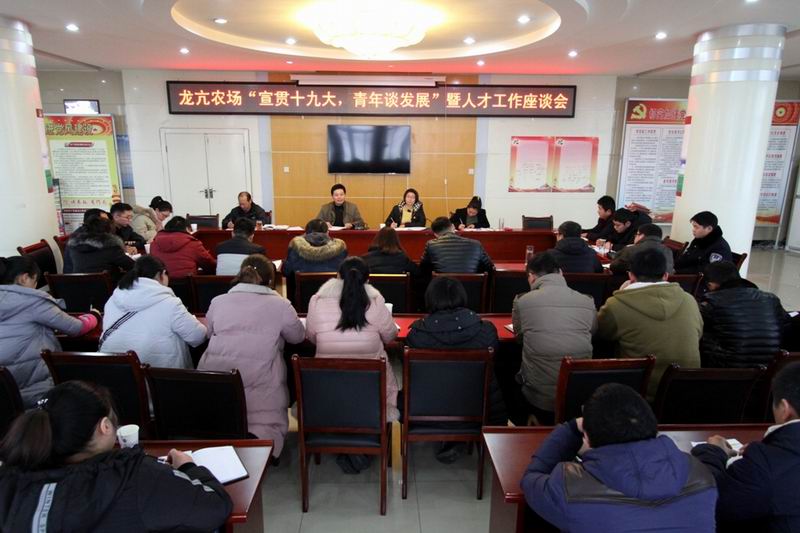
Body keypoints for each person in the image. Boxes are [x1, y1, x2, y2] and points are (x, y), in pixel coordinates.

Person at [0, 381, 232, 531]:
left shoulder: (10, 482)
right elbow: (216, 506)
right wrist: (188, 467)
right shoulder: (134, 477)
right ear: (105, 426)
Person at [521, 383, 717, 533]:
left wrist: (571, 429)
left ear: (586, 437)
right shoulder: (701, 475)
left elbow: (531, 478)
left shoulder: (568, 488)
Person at [198, 255, 304, 459]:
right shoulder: (280, 305)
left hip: (219, 377)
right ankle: (259, 437)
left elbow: (208, 332)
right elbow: (297, 337)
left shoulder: (218, 301)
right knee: (272, 369)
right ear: (270, 280)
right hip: (260, 376)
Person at [305, 257, 398, 472]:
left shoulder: (317, 301)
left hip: (327, 389)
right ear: (368, 279)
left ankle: (341, 439)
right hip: (370, 391)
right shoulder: (375, 301)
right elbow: (390, 335)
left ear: (337, 276)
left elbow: (311, 337)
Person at [692, 362, 800, 532]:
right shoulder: (768, 458)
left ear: (785, 410)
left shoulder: (764, 465)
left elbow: (707, 502)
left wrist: (713, 452)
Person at [406, 276, 507, 433]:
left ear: (430, 298)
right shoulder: (486, 331)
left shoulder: (417, 336)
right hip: (478, 410)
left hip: (426, 411)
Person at [597, 248, 703, 399]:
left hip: (638, 392)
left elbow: (601, 333)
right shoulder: (689, 300)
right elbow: (698, 334)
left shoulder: (617, 304)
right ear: (666, 275)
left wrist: (621, 293)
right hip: (686, 390)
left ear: (630, 275)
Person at [0, 257, 97, 408]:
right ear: (24, 278)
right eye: (35, 281)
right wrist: (94, 316)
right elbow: (76, 328)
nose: (35, 287)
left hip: (5, 393)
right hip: (35, 387)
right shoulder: (31, 301)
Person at [512, 252, 597, 424]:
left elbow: (520, 337)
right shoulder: (587, 301)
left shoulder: (522, 301)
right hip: (579, 394)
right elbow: (593, 332)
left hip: (539, 397)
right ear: (561, 273)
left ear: (531, 276)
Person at [100, 256, 207, 369]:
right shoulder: (170, 304)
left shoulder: (113, 299)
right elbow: (198, 337)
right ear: (162, 274)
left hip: (114, 370)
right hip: (160, 373)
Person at [699, 261, 788, 368]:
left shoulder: (712, 301)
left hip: (726, 369)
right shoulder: (771, 299)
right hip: (770, 367)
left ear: (711, 285)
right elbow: (785, 326)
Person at [65, 216, 135, 282]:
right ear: (109, 232)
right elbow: (132, 266)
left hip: (77, 285)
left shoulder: (74, 247)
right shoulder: (111, 247)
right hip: (107, 286)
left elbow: (69, 268)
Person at [420, 216, 494, 274]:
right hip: (470, 287)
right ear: (453, 227)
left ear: (435, 234)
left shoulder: (431, 245)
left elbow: (423, 269)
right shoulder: (476, 244)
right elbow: (490, 267)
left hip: (443, 287)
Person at [149, 216, 216, 278]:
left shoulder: (154, 244)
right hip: (187, 284)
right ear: (187, 229)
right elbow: (210, 266)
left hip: (162, 284)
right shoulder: (193, 244)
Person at [282, 219, 348, 280]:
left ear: (305, 233)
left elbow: (286, 271)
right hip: (332, 288)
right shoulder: (340, 249)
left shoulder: (296, 247)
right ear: (327, 233)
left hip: (304, 288)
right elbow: (346, 271)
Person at [609, 223, 674, 275]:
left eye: (637, 234)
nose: (635, 237)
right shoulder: (668, 250)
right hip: (663, 284)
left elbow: (614, 267)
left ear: (642, 236)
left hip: (636, 284)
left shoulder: (631, 249)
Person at [63, 208, 109, 273]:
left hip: (73, 276)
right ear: (94, 221)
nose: (108, 224)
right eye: (105, 221)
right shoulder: (88, 236)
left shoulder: (81, 232)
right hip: (80, 276)